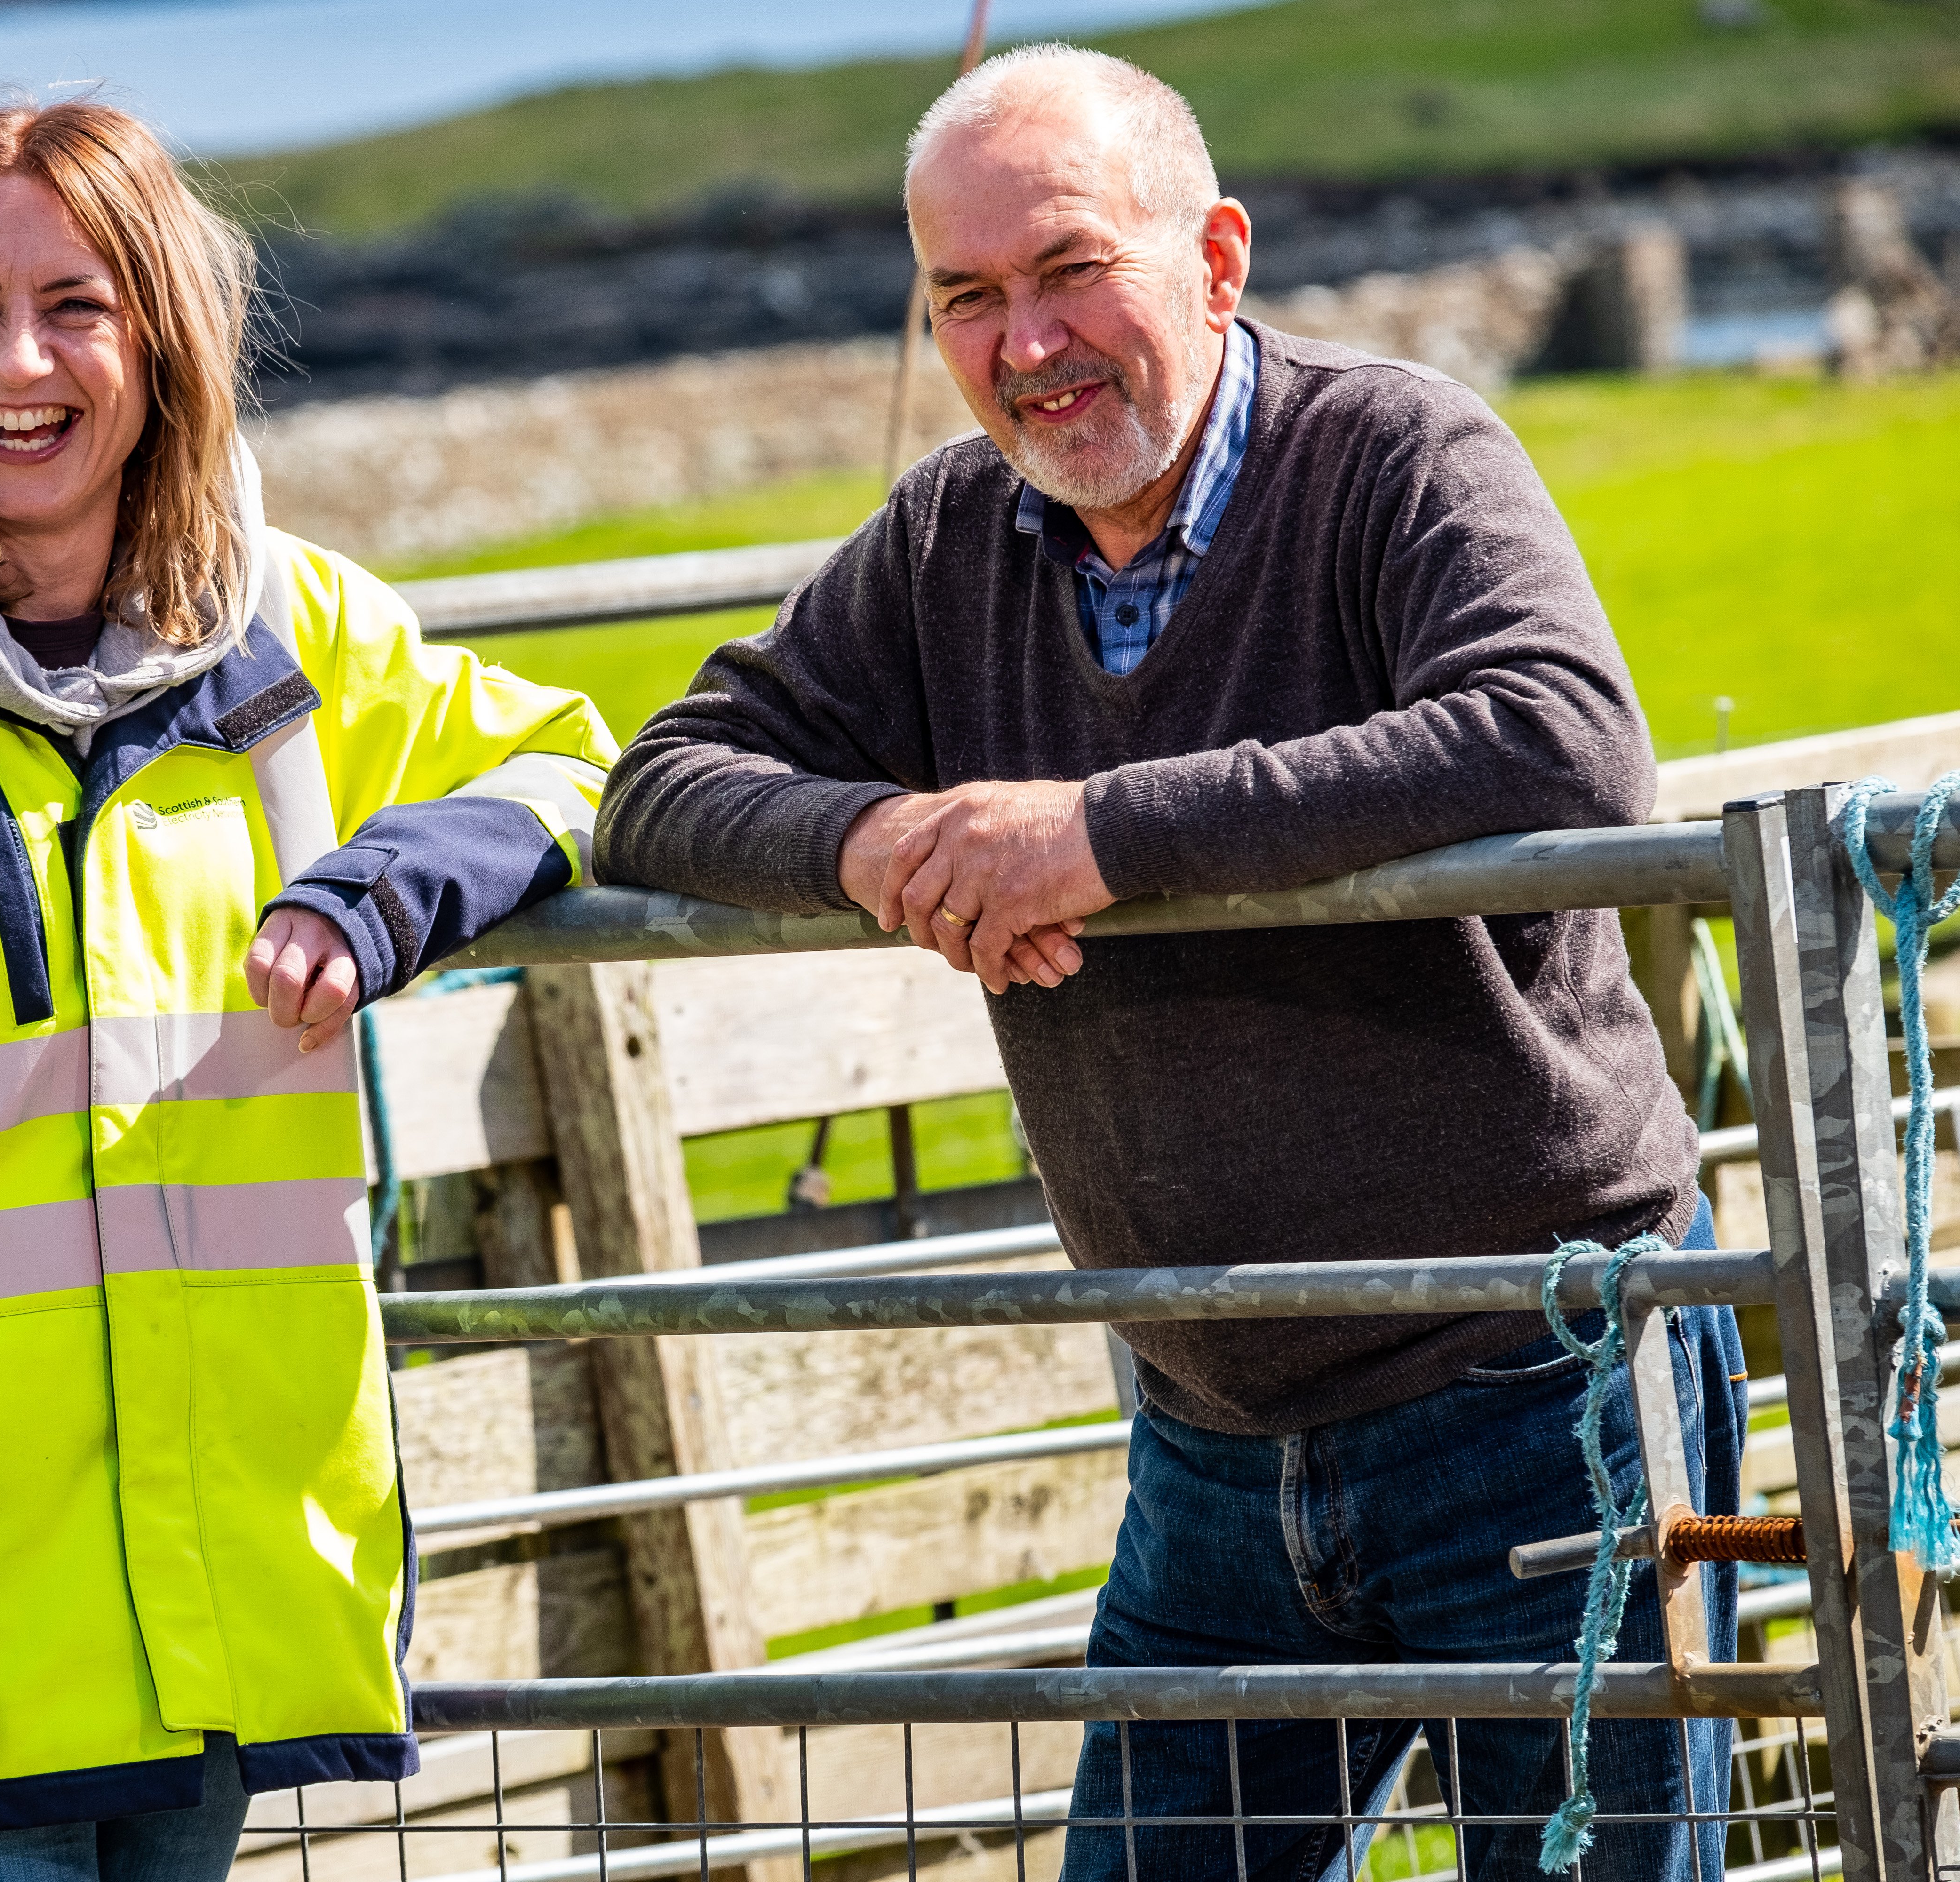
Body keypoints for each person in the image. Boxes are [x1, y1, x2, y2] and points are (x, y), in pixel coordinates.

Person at [592, 44, 1737, 1882]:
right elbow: (658, 788)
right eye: (965, 296)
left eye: (1067, 269)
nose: (1023, 344)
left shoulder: (1397, 452)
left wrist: (1096, 835)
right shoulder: (951, 543)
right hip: (1212, 1434)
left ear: (1215, 256)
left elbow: (1563, 740)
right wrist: (873, 840)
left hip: (1542, 1384)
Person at [0, 98, 613, 1882]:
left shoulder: (292, 643)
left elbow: (571, 760)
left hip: (213, 1634)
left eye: (78, 303)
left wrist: (386, 891)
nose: (19, 360)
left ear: (164, 336)